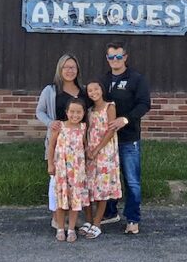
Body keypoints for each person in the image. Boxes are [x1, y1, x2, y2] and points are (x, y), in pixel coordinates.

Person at [99, 41, 151, 235]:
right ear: (107, 59)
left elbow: (144, 104)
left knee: (132, 181)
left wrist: (125, 119)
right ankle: (110, 213)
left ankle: (133, 219)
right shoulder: (103, 80)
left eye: (118, 57)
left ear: (125, 57)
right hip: (107, 140)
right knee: (109, 178)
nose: (115, 60)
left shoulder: (137, 79)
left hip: (129, 139)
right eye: (111, 57)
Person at [35, 54, 89, 229]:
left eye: (73, 67)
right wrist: (51, 123)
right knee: (56, 183)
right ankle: (57, 218)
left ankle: (73, 217)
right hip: (58, 144)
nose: (69, 70)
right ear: (60, 69)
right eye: (66, 67)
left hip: (78, 145)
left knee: (75, 182)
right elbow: (40, 112)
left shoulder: (84, 90)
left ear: (77, 69)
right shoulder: (50, 90)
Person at [79, 80, 121, 239]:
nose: (93, 92)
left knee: (101, 188)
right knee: (88, 186)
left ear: (102, 90)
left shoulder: (110, 106)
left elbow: (110, 131)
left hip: (105, 151)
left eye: (96, 89)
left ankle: (97, 223)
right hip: (90, 152)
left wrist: (97, 149)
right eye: (90, 90)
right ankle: (88, 221)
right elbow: (87, 130)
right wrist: (87, 148)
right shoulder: (89, 110)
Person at [47, 98, 90, 243]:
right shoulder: (60, 126)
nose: (75, 115)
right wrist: (50, 165)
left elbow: (84, 147)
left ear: (84, 113)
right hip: (61, 169)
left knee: (75, 200)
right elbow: (51, 146)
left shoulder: (83, 128)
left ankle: (71, 229)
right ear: (66, 112)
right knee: (61, 199)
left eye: (78, 112)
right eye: (72, 112)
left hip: (77, 171)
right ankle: (60, 228)